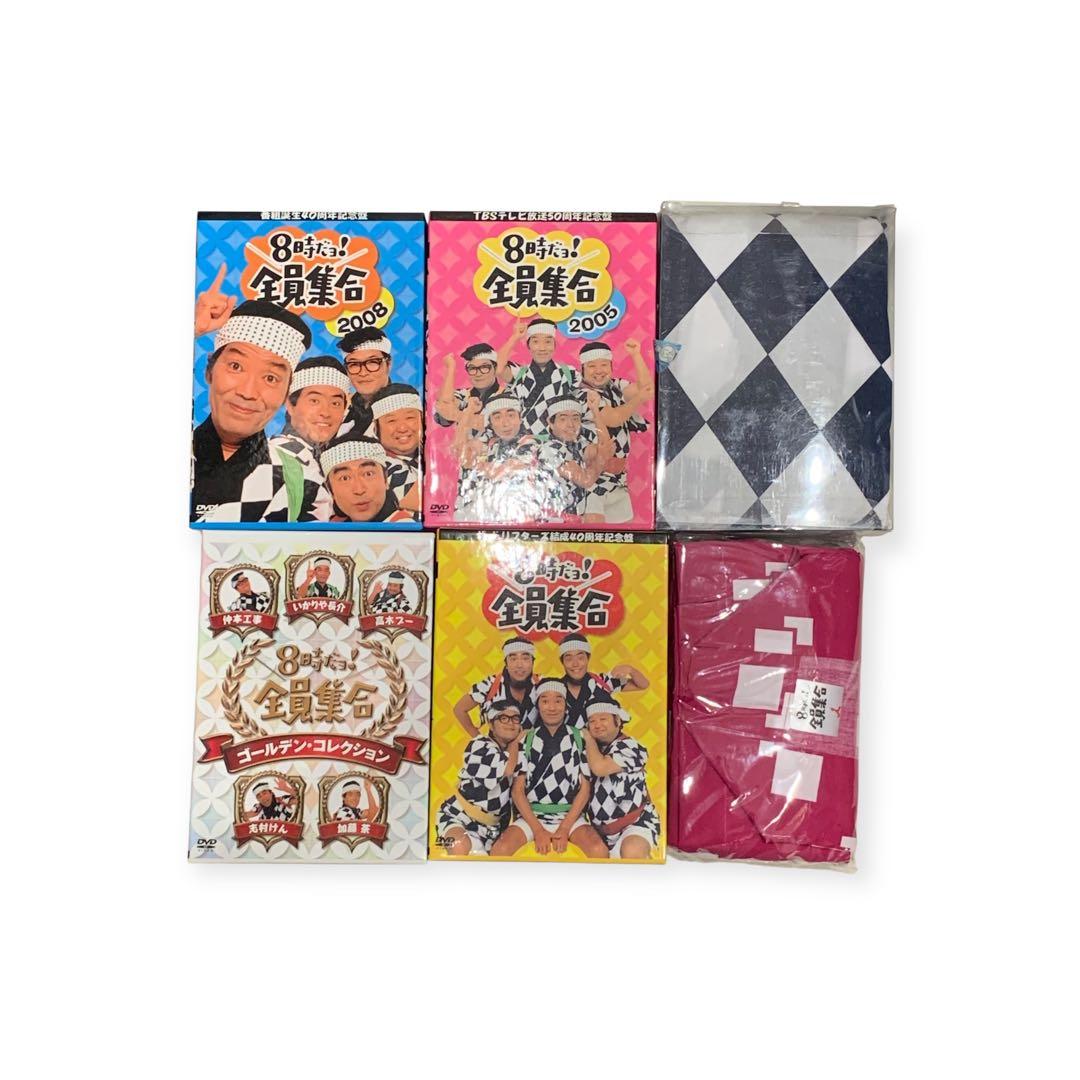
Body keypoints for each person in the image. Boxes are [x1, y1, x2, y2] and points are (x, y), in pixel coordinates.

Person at [191, 289, 314, 522]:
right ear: (209, 371)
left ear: (286, 394)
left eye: (270, 378)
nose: (247, 392)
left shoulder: (299, 478)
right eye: (236, 366)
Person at [490, 680, 608, 858]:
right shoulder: (525, 739)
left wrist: (565, 828)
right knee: (500, 850)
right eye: (545, 701)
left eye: (558, 701)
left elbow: (585, 789)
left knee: (598, 851)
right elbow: (517, 791)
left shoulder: (580, 737)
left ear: (566, 705)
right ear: (538, 705)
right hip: (532, 816)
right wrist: (538, 830)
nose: (552, 707)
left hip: (570, 816)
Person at [577, 339, 653, 523]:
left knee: (623, 533)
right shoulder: (582, 393)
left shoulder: (615, 385)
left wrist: (636, 355)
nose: (598, 370)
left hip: (618, 478)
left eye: (604, 364)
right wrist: (638, 400)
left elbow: (646, 388)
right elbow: (614, 418)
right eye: (592, 366)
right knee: (592, 534)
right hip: (593, 477)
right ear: (583, 369)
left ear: (611, 366)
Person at [435, 700, 524, 855]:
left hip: (491, 829)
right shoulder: (479, 745)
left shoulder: (516, 754)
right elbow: (507, 770)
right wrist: (516, 741)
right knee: (458, 846)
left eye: (515, 718)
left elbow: (516, 793)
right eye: (503, 718)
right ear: (491, 724)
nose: (510, 723)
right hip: (459, 816)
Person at [582, 695, 659, 860]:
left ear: (617, 720)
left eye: (603, 719)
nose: (597, 725)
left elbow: (600, 768)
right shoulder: (591, 750)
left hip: (635, 823)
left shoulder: (632, 746)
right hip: (601, 833)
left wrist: (587, 738)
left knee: (632, 850)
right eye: (592, 721)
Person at [452, 392, 541, 522]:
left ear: (520, 418)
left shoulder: (529, 442)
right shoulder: (491, 443)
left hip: (515, 517)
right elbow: (460, 451)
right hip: (476, 516)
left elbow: (503, 471)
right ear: (491, 423)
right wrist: (469, 411)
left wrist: (474, 464)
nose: (505, 423)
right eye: (497, 417)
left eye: (511, 415)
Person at [535, 394, 614, 520]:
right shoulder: (549, 449)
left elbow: (605, 448)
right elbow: (586, 480)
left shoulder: (577, 442)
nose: (571, 425)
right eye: (563, 419)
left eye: (576, 418)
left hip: (573, 518)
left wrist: (595, 411)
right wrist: (601, 458)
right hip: (552, 520)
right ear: (551, 422)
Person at [501, 318, 582, 438]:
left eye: (548, 342)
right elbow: (497, 369)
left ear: (554, 345)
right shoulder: (519, 373)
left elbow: (578, 406)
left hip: (558, 440)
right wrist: (515, 337)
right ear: (528, 345)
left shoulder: (570, 373)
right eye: (535, 341)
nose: (542, 348)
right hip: (524, 440)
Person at [558, 631, 650, 728]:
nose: (575, 664)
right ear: (562, 662)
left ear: (588, 658)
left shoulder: (602, 682)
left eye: (580, 658)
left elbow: (643, 685)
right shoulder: (556, 689)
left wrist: (631, 670)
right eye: (569, 659)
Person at [452, 637, 540, 737]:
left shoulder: (542, 685)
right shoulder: (491, 684)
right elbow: (459, 709)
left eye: (525, 658)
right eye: (513, 659)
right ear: (506, 664)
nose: (519, 665)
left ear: (532, 662)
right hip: (497, 745)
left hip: (533, 745)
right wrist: (479, 739)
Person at [319, 436, 416, 523]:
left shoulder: (403, 528)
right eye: (345, 478)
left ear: (385, 480)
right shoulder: (333, 529)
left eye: (368, 474)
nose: (359, 490)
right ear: (330, 490)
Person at [369, 383, 422, 514]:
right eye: (391, 421)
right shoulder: (380, 465)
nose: (402, 428)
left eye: (410, 418)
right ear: (376, 428)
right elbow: (420, 502)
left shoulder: (422, 455)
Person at [338, 326, 395, 435]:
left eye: (372, 362)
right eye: (354, 364)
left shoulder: (405, 406)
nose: (363, 373)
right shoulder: (341, 409)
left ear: (388, 364)